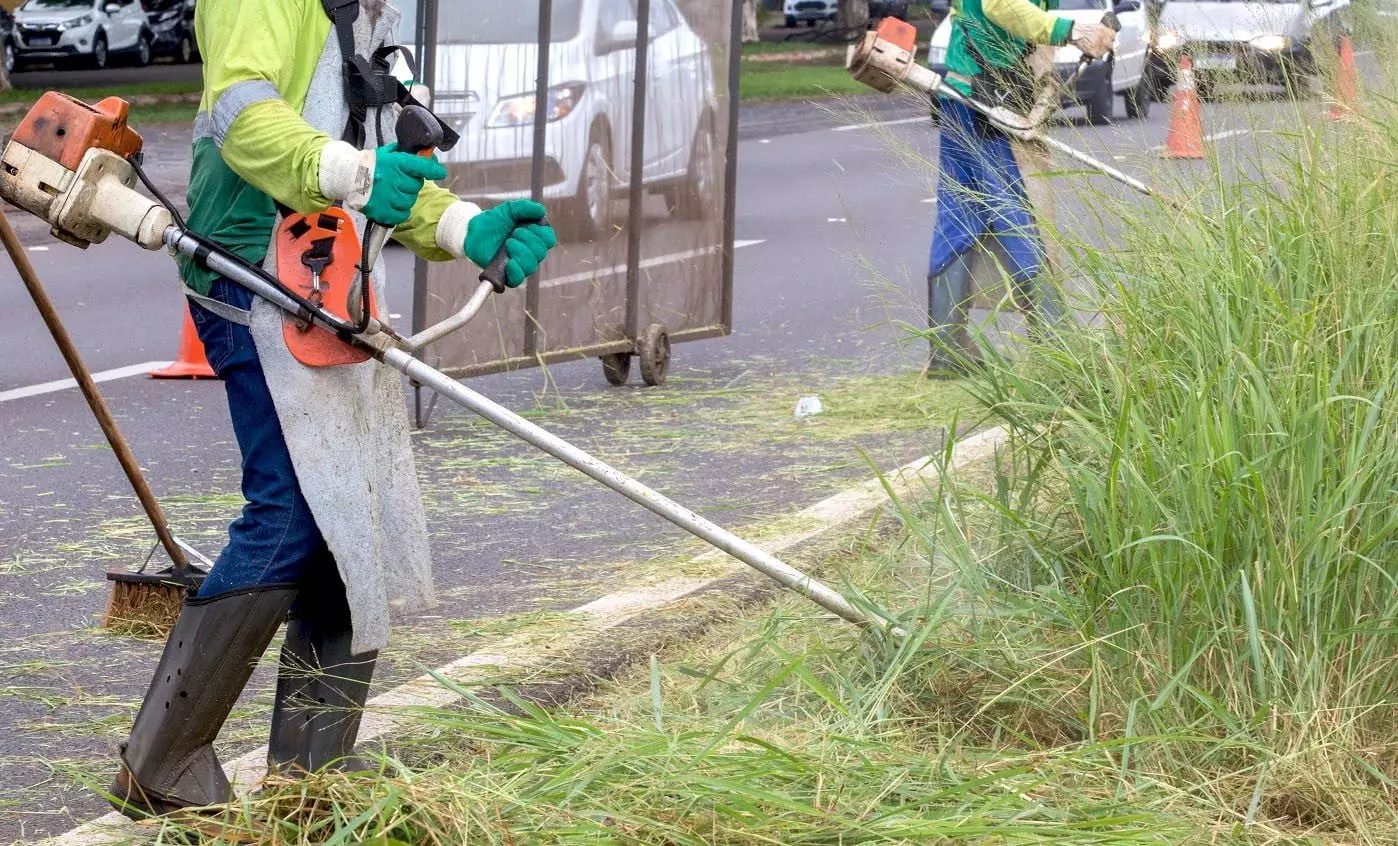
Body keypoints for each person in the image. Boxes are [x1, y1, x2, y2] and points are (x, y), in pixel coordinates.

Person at [109, 0, 557, 819]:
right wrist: (355, 177)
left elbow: (386, 170)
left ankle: (310, 780)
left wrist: (464, 226)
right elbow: (248, 122)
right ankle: (161, 764)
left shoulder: (364, 11)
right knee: (290, 514)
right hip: (247, 268)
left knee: (348, 513)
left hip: (322, 277)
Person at [926, 0, 1116, 375]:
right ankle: (1058, 347)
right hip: (984, 102)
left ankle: (948, 350)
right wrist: (1071, 30)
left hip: (967, 98)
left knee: (959, 216)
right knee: (1018, 215)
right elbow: (999, 4)